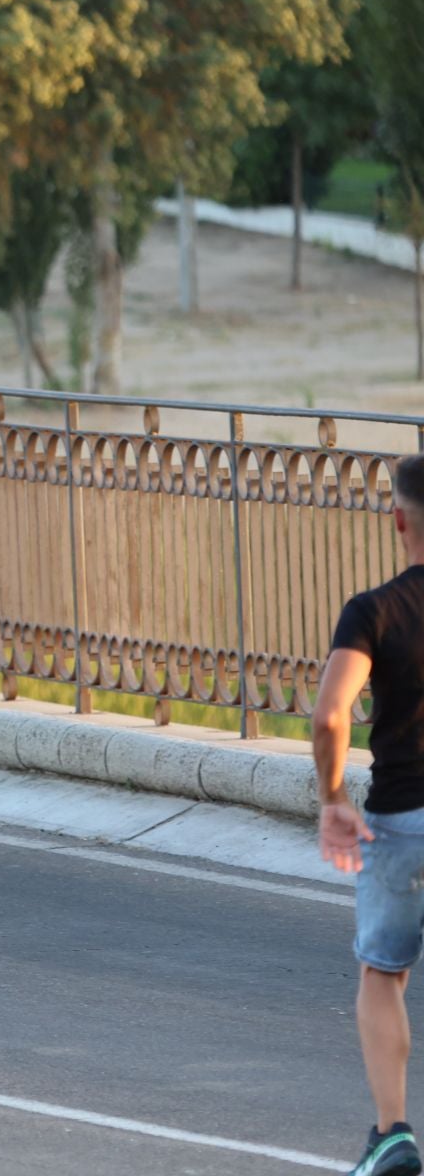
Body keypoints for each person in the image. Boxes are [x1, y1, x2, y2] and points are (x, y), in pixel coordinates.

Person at [315, 453, 424, 1176]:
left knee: (382, 973)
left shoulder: (375, 611)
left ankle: (393, 1137)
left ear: (398, 519)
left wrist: (333, 801)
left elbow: (330, 718)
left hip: (402, 819)